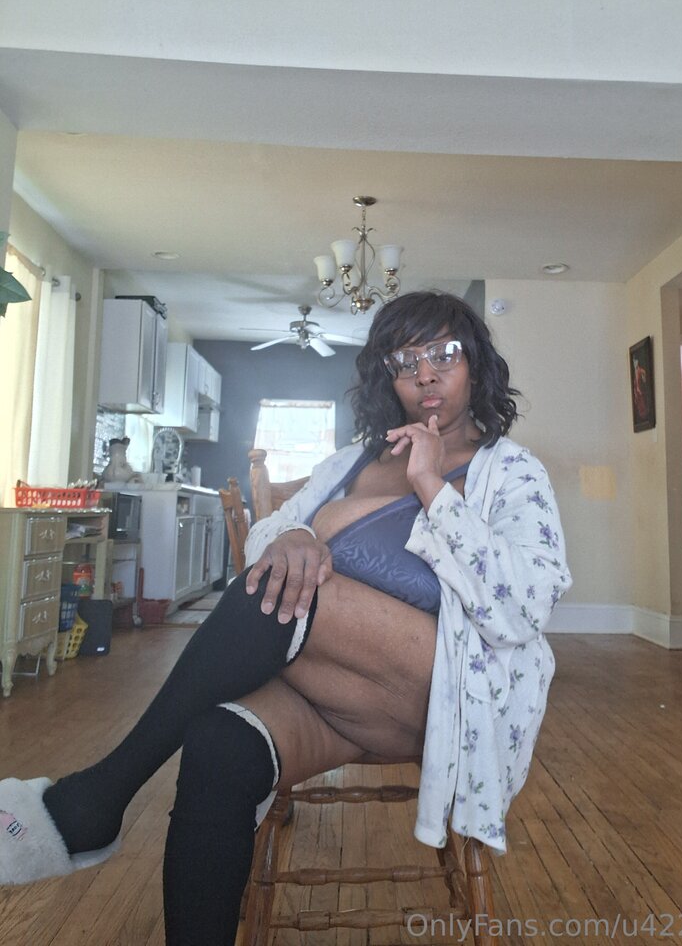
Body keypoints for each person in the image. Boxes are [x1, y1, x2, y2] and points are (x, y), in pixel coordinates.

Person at [0, 290, 572, 945]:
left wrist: (431, 486)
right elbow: (271, 530)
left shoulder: (511, 471)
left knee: (281, 593)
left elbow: (525, 607)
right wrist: (292, 536)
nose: (425, 375)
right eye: (405, 360)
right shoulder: (352, 460)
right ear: (386, 377)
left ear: (476, 364)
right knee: (218, 744)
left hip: (443, 694)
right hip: (334, 697)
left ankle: (96, 800)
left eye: (444, 354)